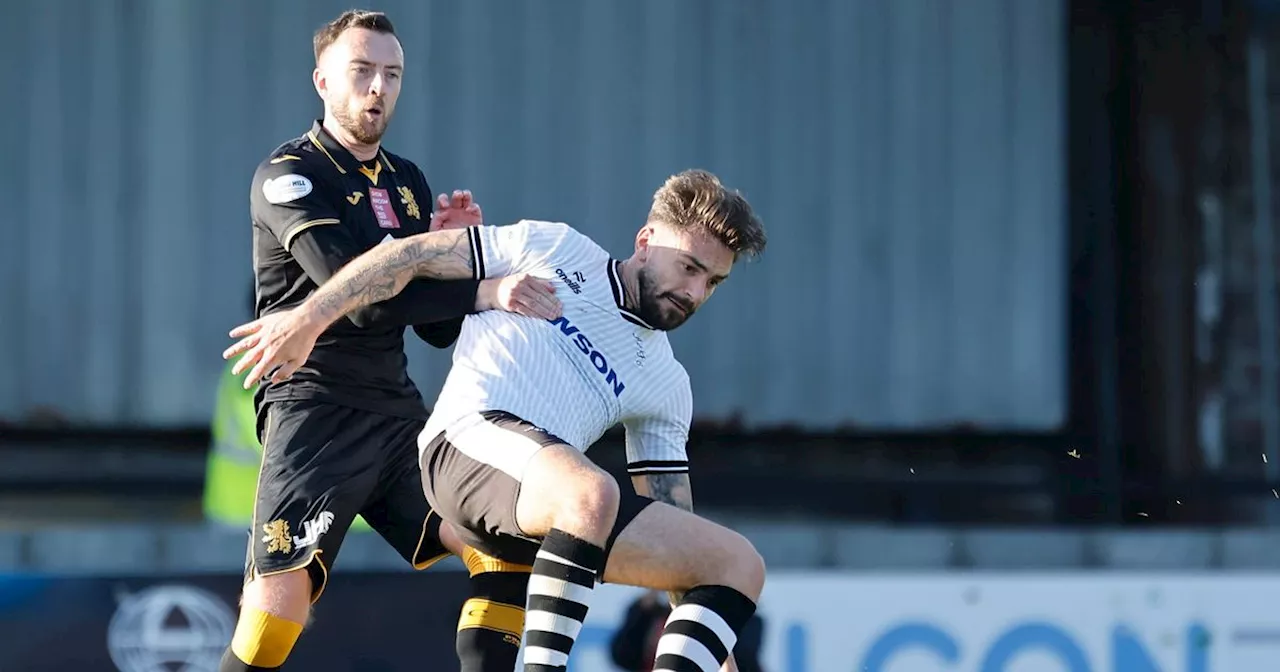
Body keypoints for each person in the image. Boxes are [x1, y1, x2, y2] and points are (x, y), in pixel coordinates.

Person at [223, 168, 770, 672]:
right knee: (591, 493)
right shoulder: (556, 246)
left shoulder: (668, 385)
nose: (695, 293)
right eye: (690, 268)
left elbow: (675, 535)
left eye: (713, 282)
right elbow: (410, 256)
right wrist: (309, 316)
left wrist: (717, 653)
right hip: (460, 449)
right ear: (646, 242)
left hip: (544, 509)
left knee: (737, 564)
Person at [217, 10, 557, 672]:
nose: (377, 88)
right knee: (273, 620)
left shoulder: (407, 183)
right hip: (314, 410)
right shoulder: (289, 175)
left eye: (391, 75)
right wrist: (478, 287)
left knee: (503, 546)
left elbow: (434, 332)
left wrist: (461, 254)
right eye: (362, 71)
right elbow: (360, 302)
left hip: (397, 415)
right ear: (322, 81)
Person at [610, 591, 767, 672]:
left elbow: (745, 660)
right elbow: (622, 655)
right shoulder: (653, 614)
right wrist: (641, 611)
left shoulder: (743, 620)